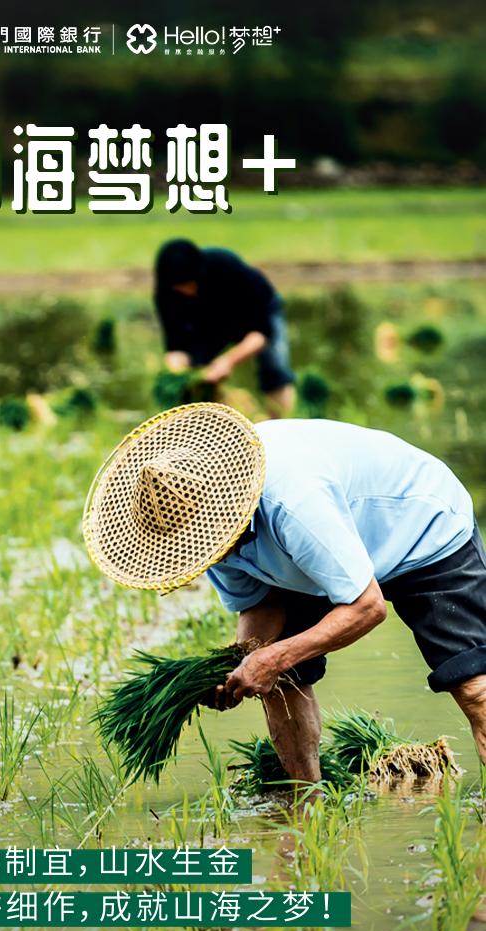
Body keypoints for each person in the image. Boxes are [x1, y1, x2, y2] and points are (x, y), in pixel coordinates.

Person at [83, 403, 486, 785]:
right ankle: (305, 807)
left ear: (228, 508)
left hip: (421, 527)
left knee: (473, 687)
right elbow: (262, 605)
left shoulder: (293, 501)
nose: (207, 551)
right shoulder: (202, 536)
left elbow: (366, 607)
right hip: (319, 557)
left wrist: (273, 657)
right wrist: (241, 665)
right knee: (277, 683)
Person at [154, 239, 295, 418]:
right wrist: (180, 376)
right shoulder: (166, 289)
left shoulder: (226, 267)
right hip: (209, 319)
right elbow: (176, 344)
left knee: (275, 370)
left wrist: (227, 361)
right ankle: (222, 430)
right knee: (201, 378)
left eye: (189, 286)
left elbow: (260, 334)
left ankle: (279, 426)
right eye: (179, 289)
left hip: (257, 312)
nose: (186, 292)